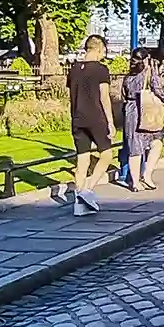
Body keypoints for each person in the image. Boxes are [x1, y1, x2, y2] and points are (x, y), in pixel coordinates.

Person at [66, 34, 116, 216]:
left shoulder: (74, 69)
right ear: (99, 49)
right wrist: (110, 121)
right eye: (103, 50)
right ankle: (88, 188)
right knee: (107, 154)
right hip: (96, 117)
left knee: (82, 159)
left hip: (78, 117)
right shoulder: (101, 70)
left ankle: (79, 204)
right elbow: (104, 97)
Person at [121, 49, 164, 192]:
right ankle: (147, 175)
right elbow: (157, 88)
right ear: (146, 59)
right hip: (146, 110)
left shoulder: (128, 76)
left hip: (131, 111)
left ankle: (136, 183)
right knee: (156, 142)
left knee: (134, 147)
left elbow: (123, 94)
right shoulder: (149, 72)